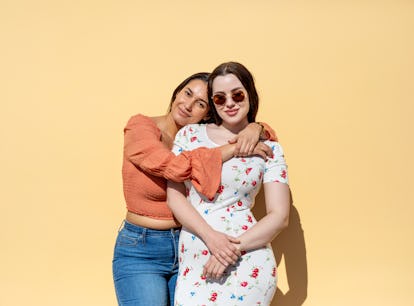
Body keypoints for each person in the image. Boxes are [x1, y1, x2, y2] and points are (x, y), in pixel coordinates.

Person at [112, 72, 277, 306]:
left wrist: (257, 128)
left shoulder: (197, 139)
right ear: (177, 92)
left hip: (189, 244)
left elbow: (268, 136)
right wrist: (231, 150)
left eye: (200, 103)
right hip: (142, 248)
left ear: (208, 112)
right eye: (187, 93)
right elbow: (174, 167)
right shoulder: (141, 127)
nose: (188, 105)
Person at [167, 62, 291, 305]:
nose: (230, 103)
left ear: (249, 94)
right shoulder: (189, 136)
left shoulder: (270, 148)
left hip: (247, 259)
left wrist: (230, 251)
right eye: (220, 98)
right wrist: (212, 238)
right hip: (196, 258)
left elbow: (279, 216)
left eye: (237, 95)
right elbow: (175, 197)